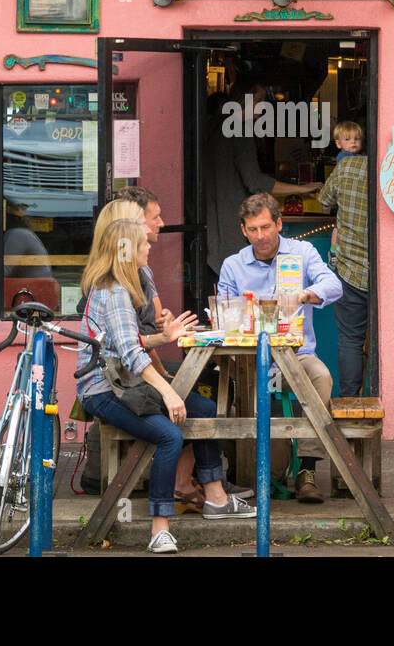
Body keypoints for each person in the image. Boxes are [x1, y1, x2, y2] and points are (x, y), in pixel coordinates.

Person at [76, 218, 255, 554]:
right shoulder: (114, 291)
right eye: (143, 244)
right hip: (103, 389)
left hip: (126, 382)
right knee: (169, 434)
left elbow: (128, 342)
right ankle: (160, 528)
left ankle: (216, 498)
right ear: (127, 251)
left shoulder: (124, 287)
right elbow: (130, 354)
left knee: (203, 410)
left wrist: (164, 337)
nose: (149, 248)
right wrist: (170, 392)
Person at [218, 192, 343, 502]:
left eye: (265, 227)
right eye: (252, 229)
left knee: (320, 377)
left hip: (296, 357)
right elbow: (223, 314)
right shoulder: (233, 266)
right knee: (236, 402)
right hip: (249, 362)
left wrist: (304, 294)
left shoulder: (302, 251)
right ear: (243, 230)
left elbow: (334, 286)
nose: (260, 236)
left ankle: (307, 470)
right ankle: (259, 475)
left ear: (279, 223)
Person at [202, 80, 323, 286]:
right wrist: (302, 189)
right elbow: (256, 181)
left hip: (211, 229)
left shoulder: (212, 126)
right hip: (232, 229)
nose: (263, 106)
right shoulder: (239, 131)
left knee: (224, 301)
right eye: (259, 100)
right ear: (243, 99)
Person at [317, 122, 370, 398]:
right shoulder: (382, 167)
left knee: (351, 338)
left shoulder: (343, 168)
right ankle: (380, 394)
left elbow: (324, 200)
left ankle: (350, 399)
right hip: (380, 269)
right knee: (383, 337)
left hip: (350, 267)